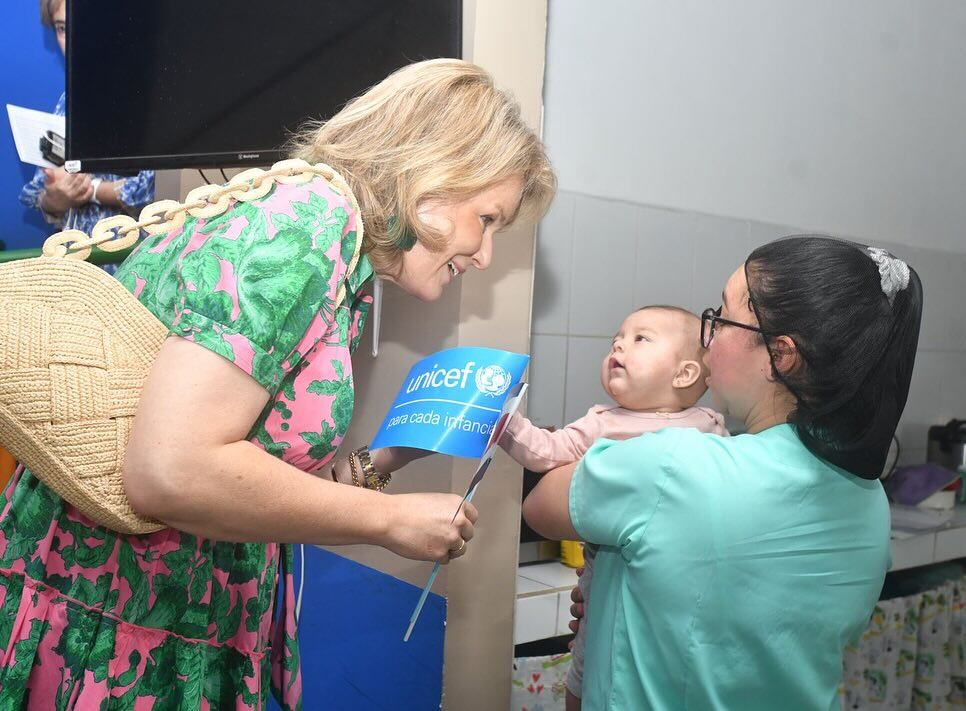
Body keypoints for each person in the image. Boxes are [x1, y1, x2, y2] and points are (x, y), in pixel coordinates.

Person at [0, 58, 554, 709]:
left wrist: (392, 457)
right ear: (432, 173)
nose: (484, 255)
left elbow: (255, 473)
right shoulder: (303, 230)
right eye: (487, 219)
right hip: (116, 629)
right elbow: (169, 470)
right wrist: (389, 519)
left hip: (166, 612)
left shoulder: (333, 247)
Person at [524, 236, 922, 710]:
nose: (706, 338)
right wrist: (614, 594)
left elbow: (540, 505)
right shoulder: (869, 498)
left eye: (721, 317)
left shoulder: (673, 466)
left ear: (780, 355)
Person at [500, 305, 728, 709]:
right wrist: (505, 421)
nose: (619, 346)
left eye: (640, 338)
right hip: (606, 580)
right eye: (616, 340)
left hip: (678, 588)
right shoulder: (601, 422)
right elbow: (545, 452)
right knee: (587, 666)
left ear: (685, 374)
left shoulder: (711, 425)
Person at [19, 0, 155, 272]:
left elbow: (153, 188)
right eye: (62, 28)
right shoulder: (68, 99)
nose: (74, 42)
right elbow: (40, 189)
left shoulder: (147, 96)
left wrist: (89, 190)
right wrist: (55, 198)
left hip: (131, 268)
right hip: (75, 270)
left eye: (85, 26)